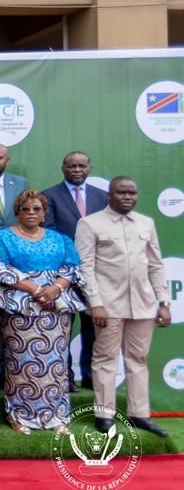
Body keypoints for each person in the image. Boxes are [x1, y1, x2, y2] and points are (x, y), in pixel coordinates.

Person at [76, 177, 172, 438]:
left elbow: (156, 264)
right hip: (107, 305)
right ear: (109, 195)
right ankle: (104, 415)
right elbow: (85, 267)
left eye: (132, 192)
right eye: (121, 192)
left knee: (138, 359)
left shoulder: (146, 223)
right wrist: (95, 303)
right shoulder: (90, 223)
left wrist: (163, 302)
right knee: (105, 359)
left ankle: (139, 414)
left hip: (143, 305)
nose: (128, 197)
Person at [0, 189, 85, 435]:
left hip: (55, 307)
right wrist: (33, 288)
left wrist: (55, 288)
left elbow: (72, 268)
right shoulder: (2, 238)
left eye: (36, 209)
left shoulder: (60, 239)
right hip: (19, 306)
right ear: (17, 213)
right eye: (25, 209)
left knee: (56, 362)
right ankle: (19, 416)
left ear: (44, 213)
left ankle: (57, 416)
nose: (31, 213)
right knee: (19, 362)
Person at [43, 151, 107, 391]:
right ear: (63, 168)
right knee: (63, 329)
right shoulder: (49, 196)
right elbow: (49, 232)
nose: (77, 170)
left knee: (93, 327)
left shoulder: (102, 197)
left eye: (81, 165)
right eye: (72, 166)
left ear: (89, 167)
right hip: (63, 274)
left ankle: (90, 377)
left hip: (96, 273)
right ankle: (65, 378)